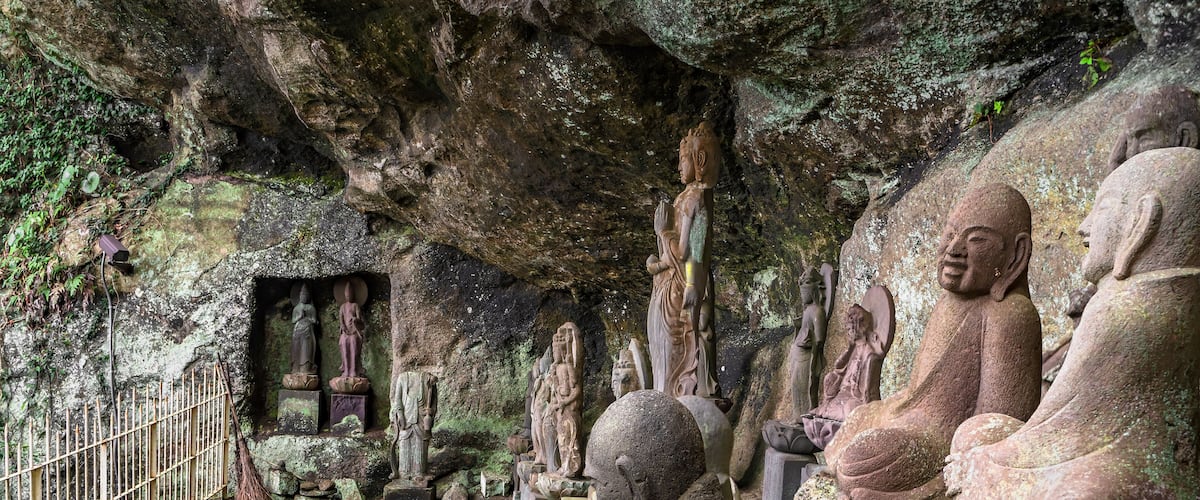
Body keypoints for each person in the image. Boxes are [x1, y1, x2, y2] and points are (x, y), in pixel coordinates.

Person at [946, 148, 1200, 498]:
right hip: (1127, 460)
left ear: (1142, 223)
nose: (1085, 225)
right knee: (975, 432)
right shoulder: (1174, 300)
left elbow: (1057, 430)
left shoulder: (1124, 311)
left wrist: (981, 464)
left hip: (1116, 470)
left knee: (978, 440)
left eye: (1104, 207)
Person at [822, 184, 1042, 497]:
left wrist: (959, 469)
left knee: (862, 459)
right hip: (909, 419)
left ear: (1015, 255)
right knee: (857, 418)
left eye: (976, 239)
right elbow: (916, 393)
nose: (954, 249)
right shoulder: (948, 303)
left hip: (943, 442)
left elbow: (996, 427)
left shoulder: (1011, 315)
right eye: (950, 234)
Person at [646, 122, 722, 398]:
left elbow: (692, 250)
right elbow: (674, 255)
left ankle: (674, 401)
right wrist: (657, 263)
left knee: (673, 348)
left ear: (699, 160)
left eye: (683, 160)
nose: (679, 167)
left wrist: (663, 232)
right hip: (668, 282)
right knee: (660, 349)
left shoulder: (696, 200)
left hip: (680, 286)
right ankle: (665, 398)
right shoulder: (684, 197)